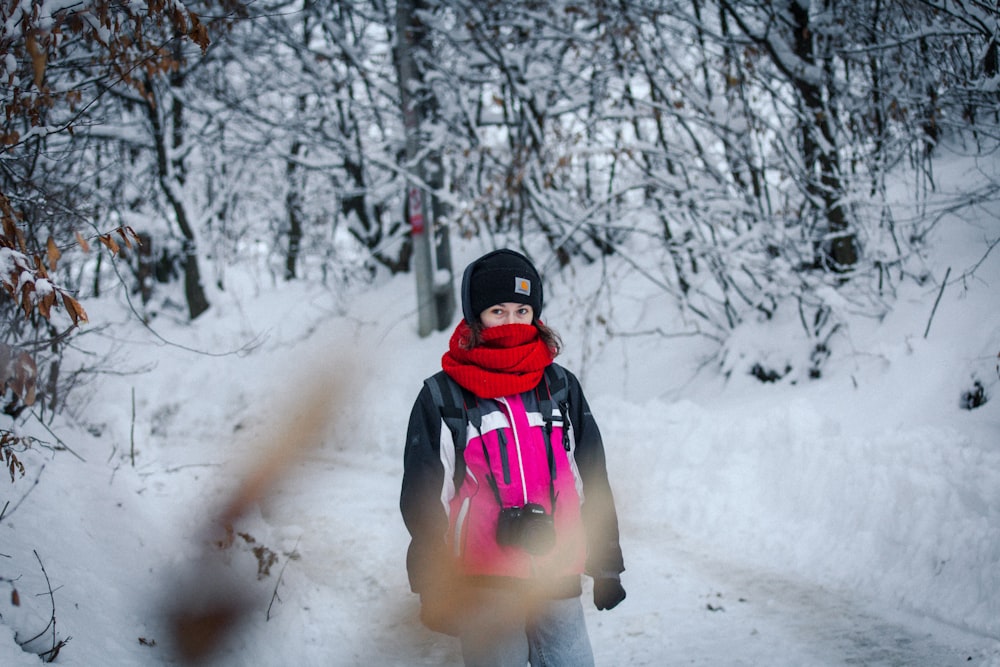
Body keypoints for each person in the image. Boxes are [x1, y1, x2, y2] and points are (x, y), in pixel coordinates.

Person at [400, 248, 626, 666]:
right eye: (497, 311)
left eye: (522, 310)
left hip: (557, 568)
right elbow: (424, 495)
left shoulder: (559, 386)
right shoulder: (443, 396)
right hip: (483, 579)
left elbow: (590, 476)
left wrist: (606, 561)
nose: (511, 323)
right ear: (475, 318)